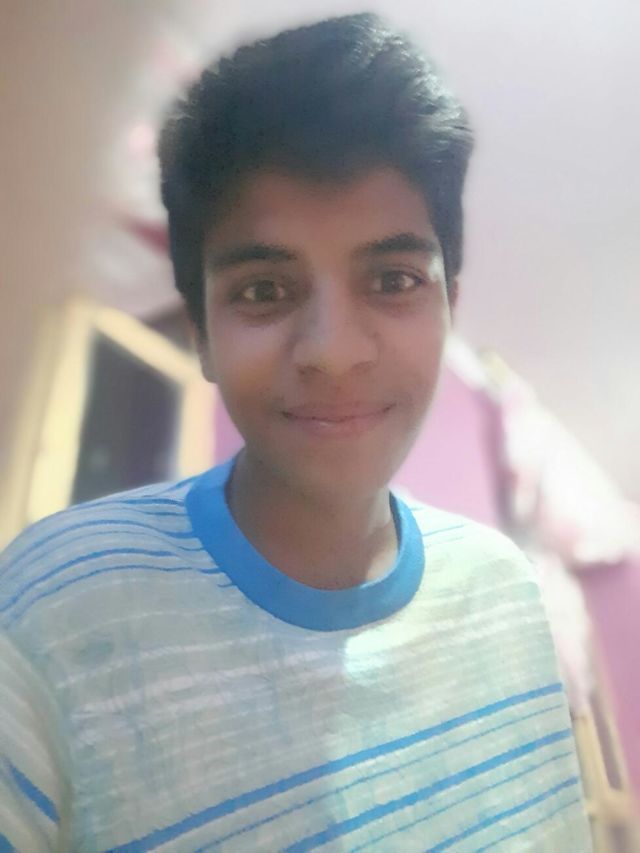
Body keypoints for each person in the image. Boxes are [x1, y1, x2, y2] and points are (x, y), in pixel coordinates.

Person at [0, 13, 592, 851]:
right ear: (202, 334)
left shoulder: (507, 591)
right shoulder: (51, 614)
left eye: (393, 279)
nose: (335, 352)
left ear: (448, 307)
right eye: (265, 291)